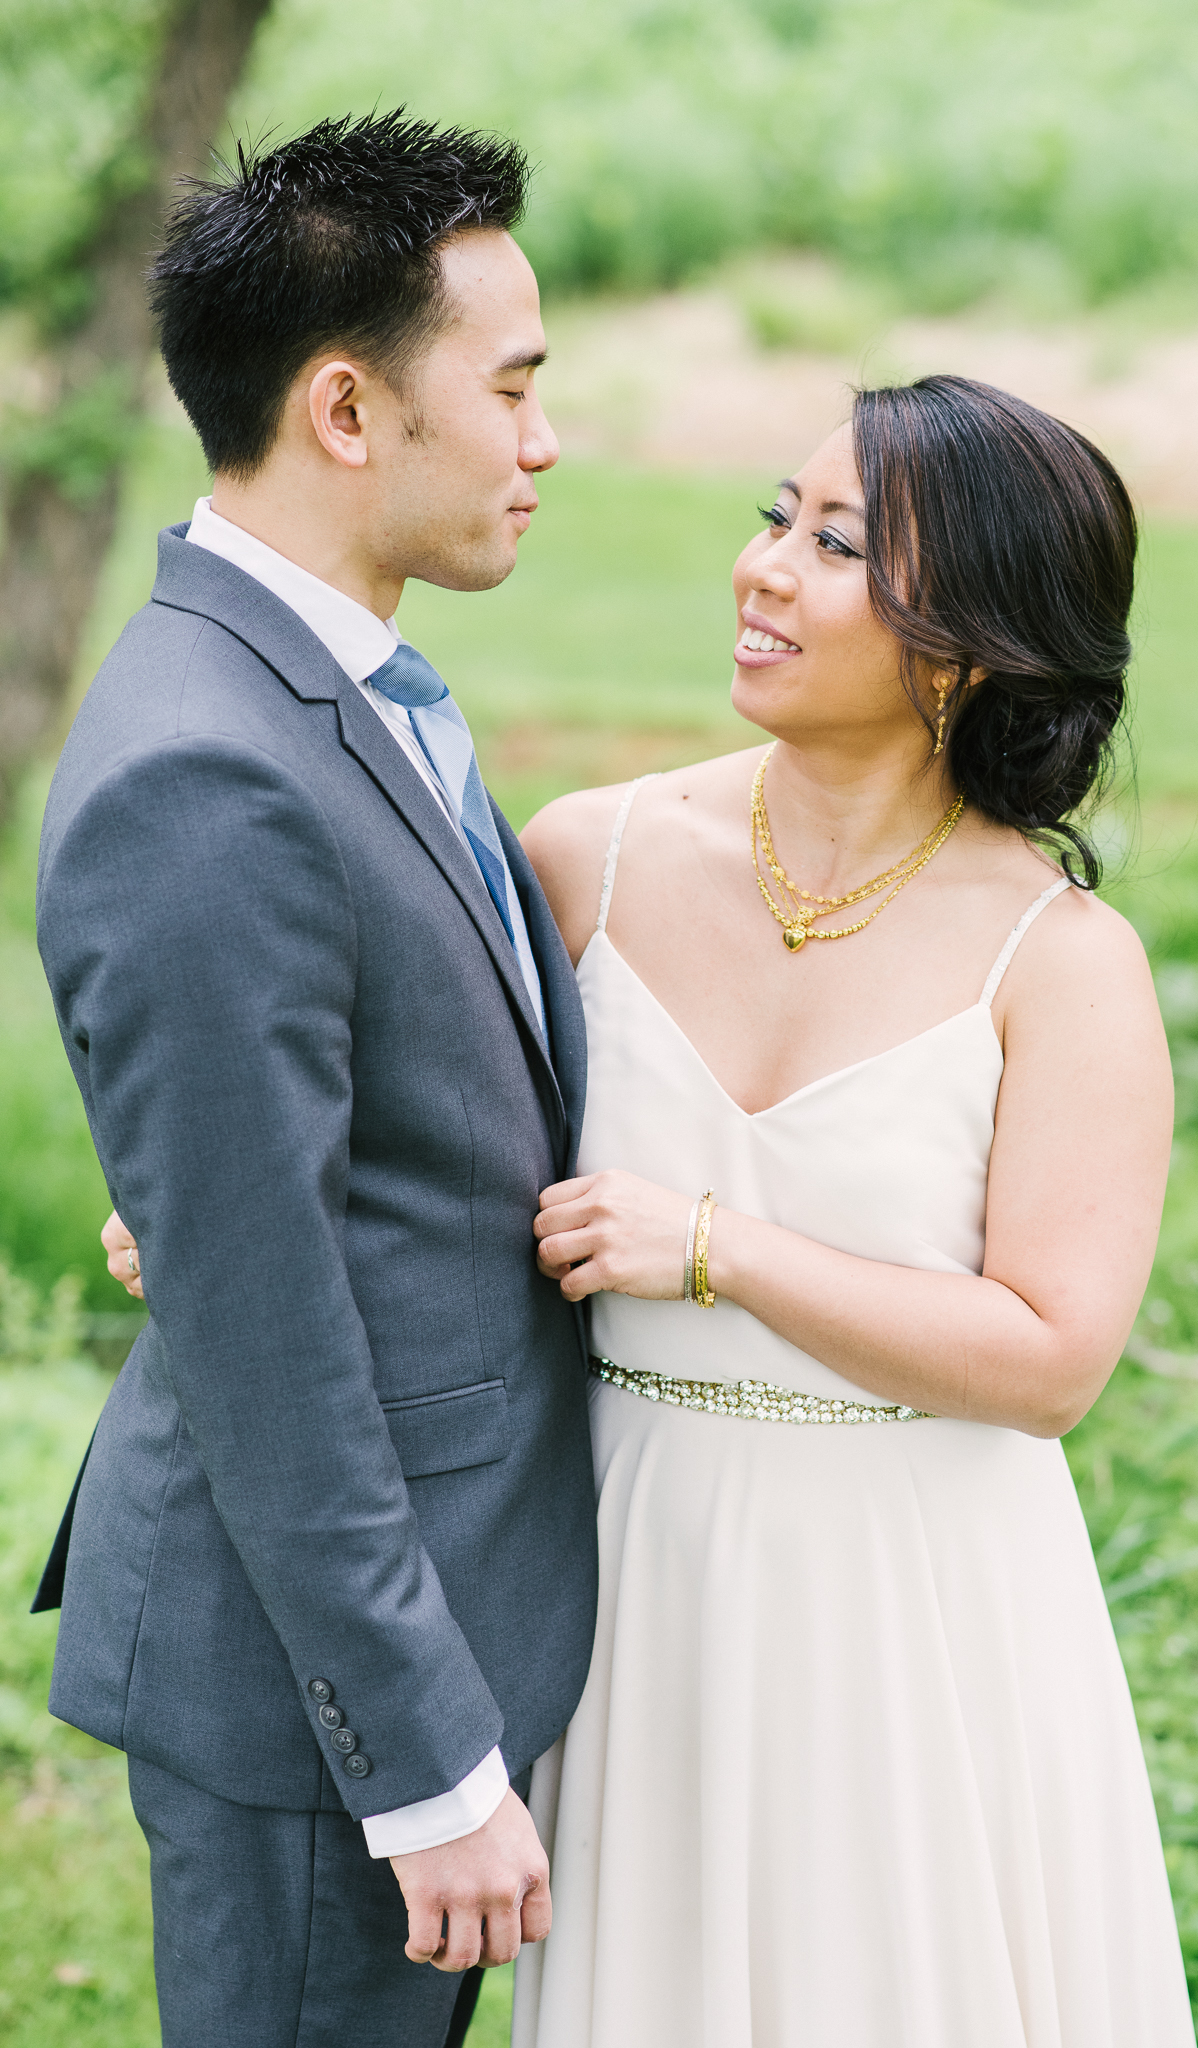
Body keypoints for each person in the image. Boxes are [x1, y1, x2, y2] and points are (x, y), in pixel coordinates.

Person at [505, 377, 1197, 2044]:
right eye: (775, 517)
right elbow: (435, 1161)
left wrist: (718, 1248)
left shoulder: (1062, 965)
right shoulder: (587, 859)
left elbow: (1049, 1359)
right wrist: (233, 1214)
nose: (762, 570)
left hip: (916, 1608)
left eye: (834, 549)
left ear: (966, 645)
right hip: (632, 1558)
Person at [34, 114, 599, 2048]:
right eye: (513, 388)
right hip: (318, 1708)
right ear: (347, 410)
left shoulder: (341, 688)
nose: (544, 441)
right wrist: (429, 1766)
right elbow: (263, 1325)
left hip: (428, 1623)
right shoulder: (210, 774)